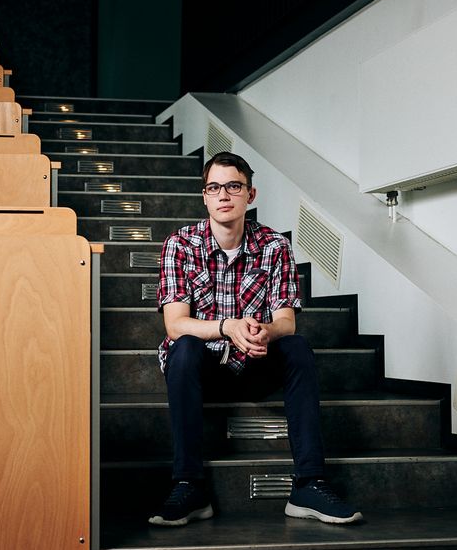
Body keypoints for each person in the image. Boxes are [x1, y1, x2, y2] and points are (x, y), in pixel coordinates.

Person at [149, 151, 362, 527]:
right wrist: (227, 327)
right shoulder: (179, 245)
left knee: (296, 346)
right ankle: (189, 484)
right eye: (214, 187)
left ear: (251, 194)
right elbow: (175, 324)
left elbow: (286, 322)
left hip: (255, 363)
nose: (224, 195)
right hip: (203, 371)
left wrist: (266, 330)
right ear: (204, 196)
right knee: (183, 348)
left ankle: (309, 485)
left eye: (234, 186)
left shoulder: (275, 246)